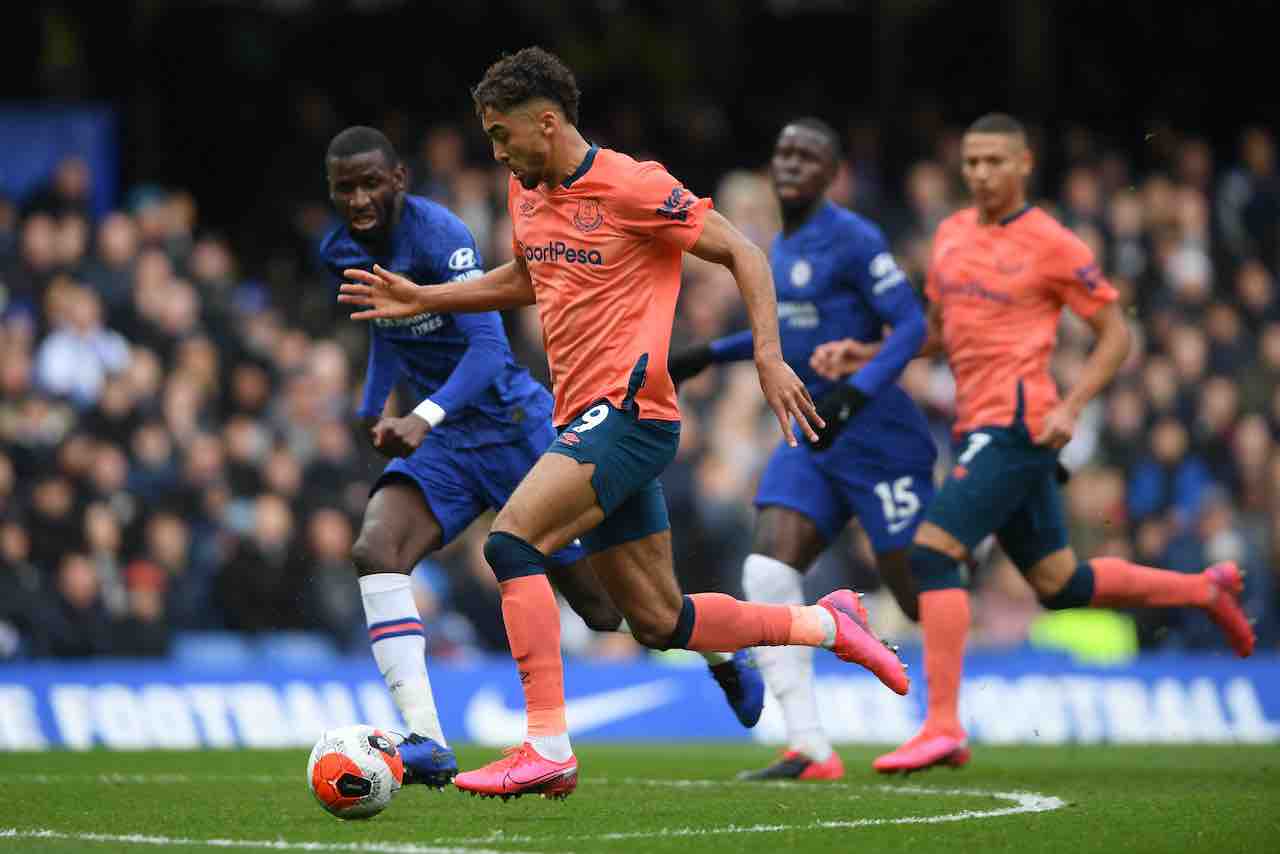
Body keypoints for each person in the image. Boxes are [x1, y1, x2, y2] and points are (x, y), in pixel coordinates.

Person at [338, 47, 909, 800]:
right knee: (656, 618)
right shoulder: (527, 191)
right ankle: (830, 625)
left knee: (511, 542)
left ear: (547, 122)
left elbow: (742, 252)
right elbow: (526, 278)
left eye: (504, 135)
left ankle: (547, 744)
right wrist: (429, 298)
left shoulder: (634, 185)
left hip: (632, 413)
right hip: (584, 416)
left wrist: (768, 356)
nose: (497, 151)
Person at [320, 126, 766, 791]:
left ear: (400, 179)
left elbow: (488, 352)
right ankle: (428, 742)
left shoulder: (441, 237)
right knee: (375, 549)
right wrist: (373, 404)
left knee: (613, 612)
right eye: (344, 187)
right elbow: (385, 327)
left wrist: (422, 413)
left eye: (370, 183)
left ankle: (722, 645)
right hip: (444, 445)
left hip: (514, 426)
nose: (358, 199)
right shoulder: (338, 250)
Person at [811, 113, 1255, 775]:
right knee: (1059, 581)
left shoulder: (1052, 242)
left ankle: (943, 724)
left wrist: (1074, 405)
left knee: (933, 553)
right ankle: (1202, 591)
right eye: (973, 162)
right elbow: (938, 334)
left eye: (995, 161)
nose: (982, 173)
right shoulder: (952, 235)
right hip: (979, 426)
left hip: (1020, 426)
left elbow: (1115, 334)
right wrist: (868, 354)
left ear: (1024, 164)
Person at [667, 118, 936, 781]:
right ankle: (810, 746)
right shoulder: (778, 249)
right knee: (765, 572)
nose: (790, 162)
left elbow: (911, 325)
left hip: (879, 438)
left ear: (832, 172)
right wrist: (710, 354)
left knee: (921, 592)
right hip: (814, 433)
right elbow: (780, 337)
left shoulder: (853, 238)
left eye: (808, 155)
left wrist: (859, 390)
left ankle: (957, 691)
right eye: (783, 151)